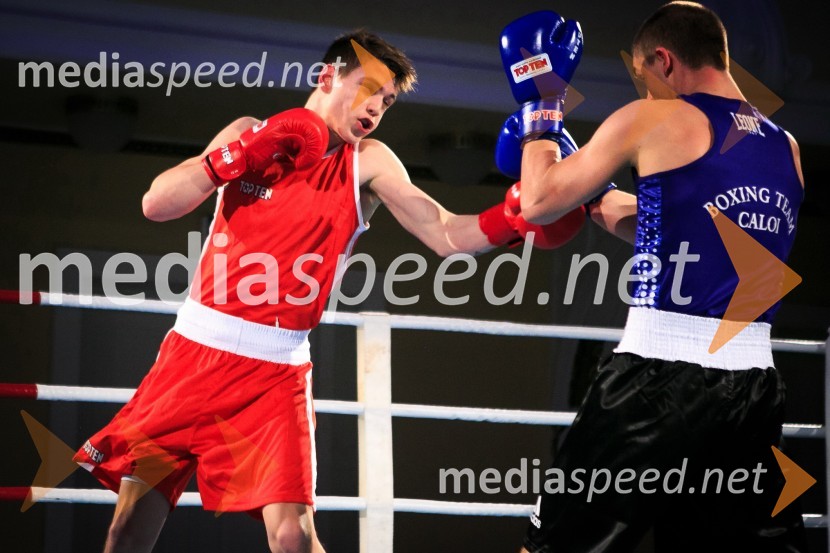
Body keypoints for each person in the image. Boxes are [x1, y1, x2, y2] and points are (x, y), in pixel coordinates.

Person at [73, 30, 584, 553]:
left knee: (294, 535)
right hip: (193, 355)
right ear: (326, 77)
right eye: (369, 91)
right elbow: (155, 204)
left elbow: (446, 233)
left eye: (386, 102)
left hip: (274, 374)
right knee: (129, 527)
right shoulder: (249, 131)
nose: (376, 110)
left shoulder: (368, 162)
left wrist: (515, 216)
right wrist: (235, 155)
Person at [496, 3, 808, 552]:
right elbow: (676, 230)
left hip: (656, 378)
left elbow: (539, 201)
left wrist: (541, 103)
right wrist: (591, 194)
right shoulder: (787, 148)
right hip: (754, 390)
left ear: (663, 60)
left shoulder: (655, 118)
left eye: (643, 80)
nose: (643, 96)